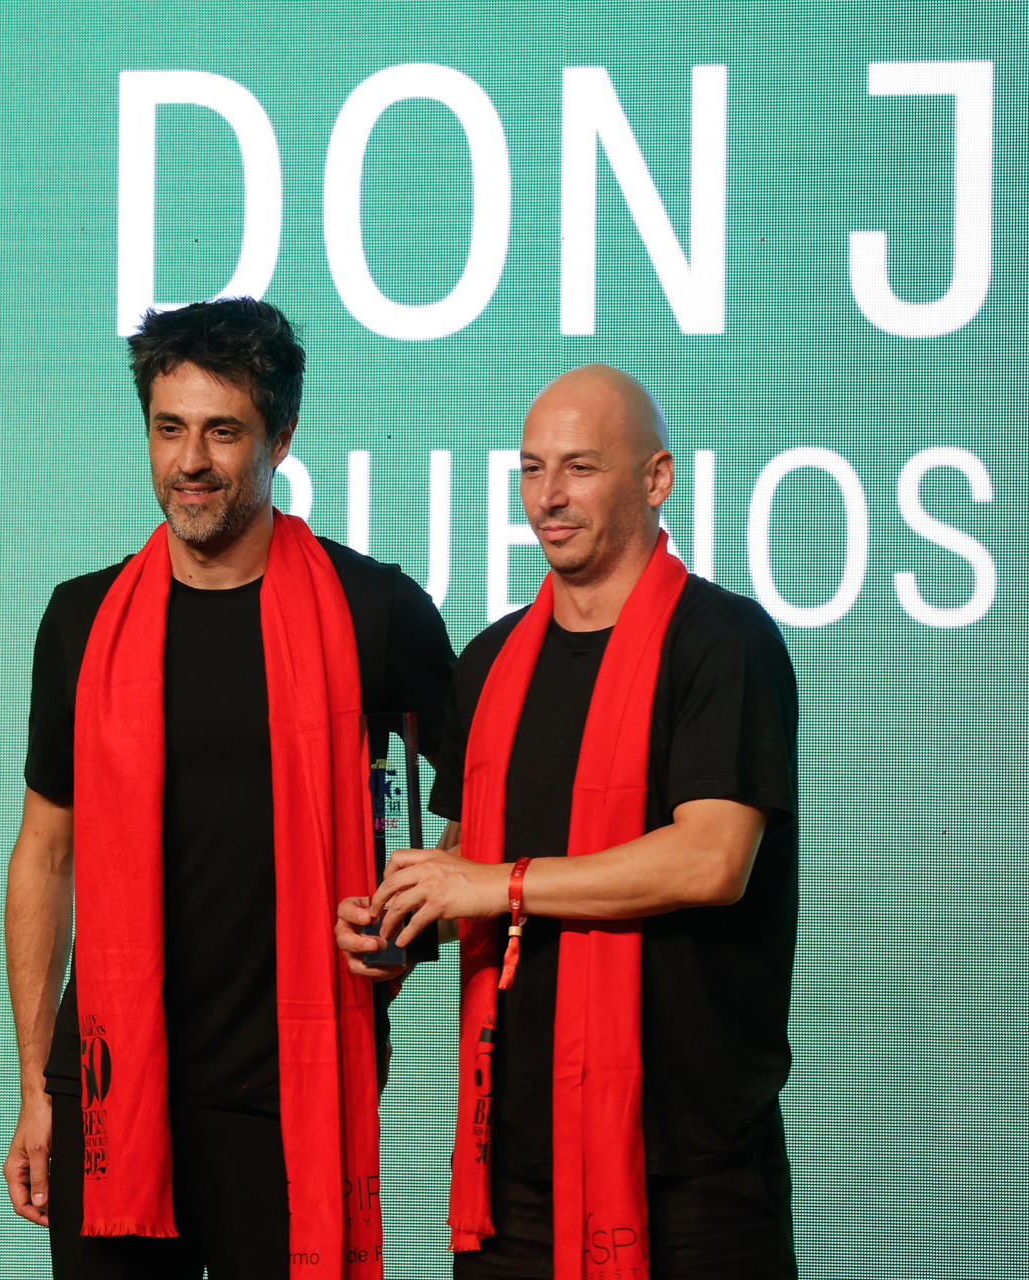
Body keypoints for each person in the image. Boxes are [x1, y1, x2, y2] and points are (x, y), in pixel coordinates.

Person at [3, 297, 456, 1280]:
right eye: (169, 428)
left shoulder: (375, 609)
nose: (191, 460)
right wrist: (39, 1088)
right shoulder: (81, 619)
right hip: (113, 1090)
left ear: (281, 435)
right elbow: (44, 848)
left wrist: (419, 918)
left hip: (290, 1090)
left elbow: (480, 802)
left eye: (223, 430)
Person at [335, 364, 800, 1280]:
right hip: (514, 1170)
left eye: (581, 467)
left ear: (657, 478)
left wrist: (496, 885)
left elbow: (712, 860)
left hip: (692, 1176)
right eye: (532, 468)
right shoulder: (493, 656)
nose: (549, 497)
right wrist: (401, 917)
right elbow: (470, 856)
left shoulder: (725, 642)